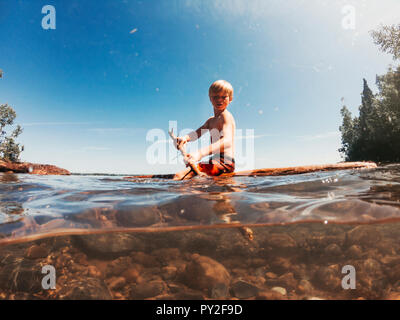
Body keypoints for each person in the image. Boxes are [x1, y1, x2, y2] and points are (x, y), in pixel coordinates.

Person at [173, 80, 236, 180]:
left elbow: (227, 141)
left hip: (225, 162)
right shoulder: (210, 121)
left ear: (230, 99)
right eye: (215, 97)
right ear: (210, 99)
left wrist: (200, 153)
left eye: (224, 97)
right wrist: (184, 138)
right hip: (214, 161)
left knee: (179, 176)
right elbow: (196, 133)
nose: (219, 99)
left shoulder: (226, 116)